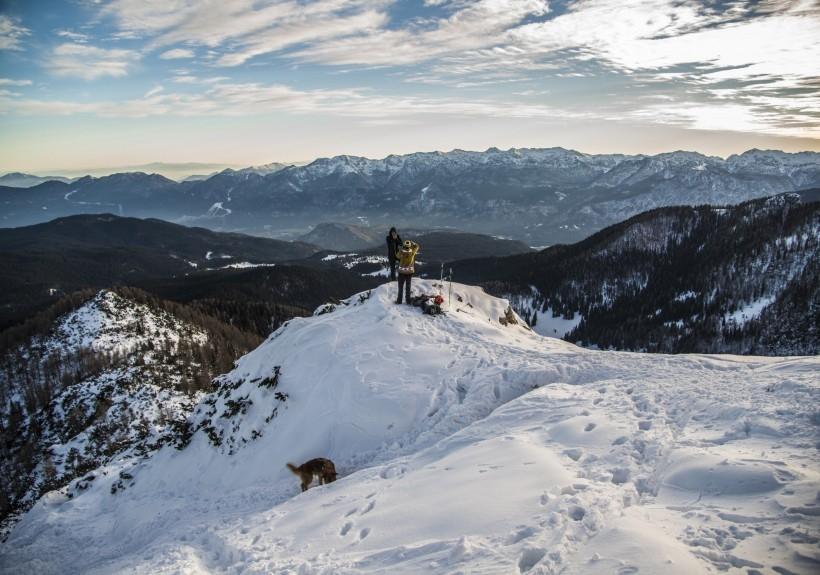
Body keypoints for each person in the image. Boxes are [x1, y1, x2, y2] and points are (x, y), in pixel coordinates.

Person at [395, 239, 420, 304]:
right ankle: (408, 301)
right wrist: (413, 243)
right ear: (409, 246)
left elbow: (397, 256)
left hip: (401, 272)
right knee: (408, 287)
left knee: (400, 287)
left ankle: (399, 301)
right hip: (410, 272)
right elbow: (417, 246)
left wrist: (400, 249)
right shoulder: (412, 252)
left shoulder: (401, 252)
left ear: (404, 245)